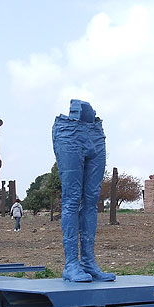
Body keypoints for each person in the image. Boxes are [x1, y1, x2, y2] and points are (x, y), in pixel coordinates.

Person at [52, 99, 116, 282]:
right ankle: (71, 264)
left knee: (91, 200)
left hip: (95, 132)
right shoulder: (66, 126)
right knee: (71, 199)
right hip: (69, 132)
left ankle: (88, 262)